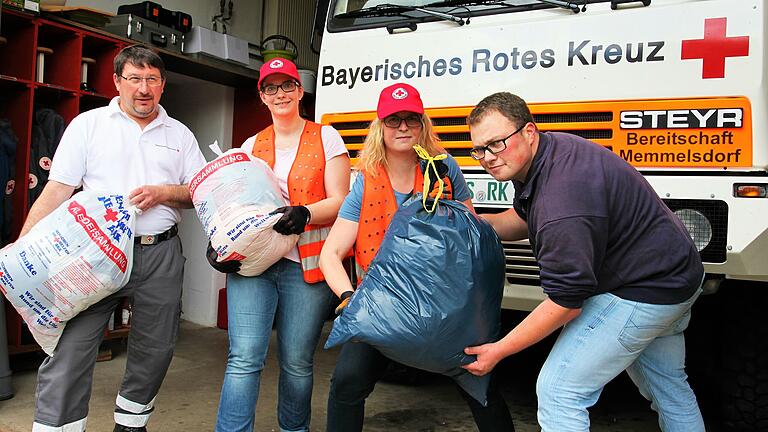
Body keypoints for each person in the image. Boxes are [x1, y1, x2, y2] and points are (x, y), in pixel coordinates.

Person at [462, 92, 705, 432]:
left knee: (561, 391)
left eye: (497, 144)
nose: (487, 157)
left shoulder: (561, 201)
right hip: (678, 276)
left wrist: (498, 350)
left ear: (529, 132)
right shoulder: (549, 153)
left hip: (644, 290)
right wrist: (471, 223)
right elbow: (523, 218)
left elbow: (566, 302)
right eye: (479, 149)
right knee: (669, 389)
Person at [22, 45, 206, 432]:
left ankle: (130, 425)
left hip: (161, 250)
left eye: (151, 79)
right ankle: (57, 427)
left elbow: (198, 192)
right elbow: (57, 189)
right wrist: (22, 246)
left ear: (162, 85)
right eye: (134, 78)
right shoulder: (88, 125)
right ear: (117, 82)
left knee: (155, 348)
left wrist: (163, 193)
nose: (143, 88)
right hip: (95, 254)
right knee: (72, 345)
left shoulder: (180, 134)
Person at [319, 82, 515, 432]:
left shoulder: (443, 170)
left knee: (482, 385)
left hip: (447, 307)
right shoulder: (366, 181)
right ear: (380, 126)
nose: (403, 127)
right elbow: (330, 254)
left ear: (423, 123)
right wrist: (350, 299)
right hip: (384, 307)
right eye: (393, 120)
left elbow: (470, 237)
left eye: (411, 118)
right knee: (347, 383)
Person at [206, 57, 350, 432]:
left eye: (288, 85)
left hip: (305, 266)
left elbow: (341, 199)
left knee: (298, 362)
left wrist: (305, 212)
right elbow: (234, 204)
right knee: (243, 358)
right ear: (262, 96)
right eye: (271, 87)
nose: (280, 93)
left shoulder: (326, 137)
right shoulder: (252, 144)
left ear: (300, 91)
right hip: (254, 264)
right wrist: (220, 245)